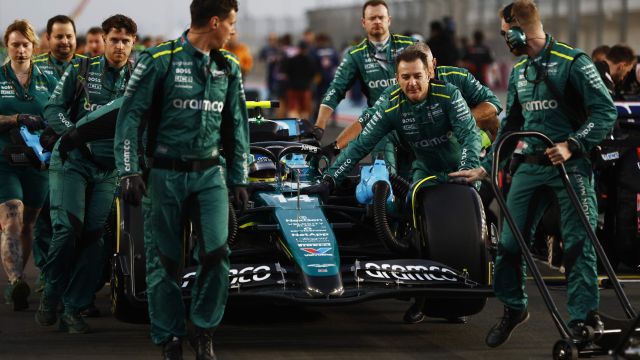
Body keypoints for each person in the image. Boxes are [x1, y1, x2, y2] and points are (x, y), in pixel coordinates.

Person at [449, 0, 617, 348]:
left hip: (570, 167)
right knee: (509, 246)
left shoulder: (574, 62)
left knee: (577, 246)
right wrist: (487, 165)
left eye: (503, 32)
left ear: (516, 29)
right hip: (529, 168)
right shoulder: (521, 71)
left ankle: (582, 322)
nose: (502, 39)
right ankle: (514, 307)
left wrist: (572, 144)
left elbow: (605, 112)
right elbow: (511, 125)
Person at [113, 0, 249, 358]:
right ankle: (170, 337)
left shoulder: (230, 65)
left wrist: (239, 178)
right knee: (166, 261)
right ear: (215, 21)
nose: (234, 30)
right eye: (232, 22)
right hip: (164, 177)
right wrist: (128, 170)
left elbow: (237, 125)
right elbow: (129, 117)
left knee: (218, 253)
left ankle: (203, 331)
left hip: (209, 176)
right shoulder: (160, 60)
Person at [35, 14, 137, 334]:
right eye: (114, 39)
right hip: (72, 161)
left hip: (109, 171)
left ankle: (73, 308)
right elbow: (53, 110)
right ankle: (52, 292)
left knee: (95, 237)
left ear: (133, 44)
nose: (119, 46)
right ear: (103, 40)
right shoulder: (81, 70)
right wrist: (73, 134)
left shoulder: (140, 80)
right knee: (68, 228)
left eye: (125, 40)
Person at [304, 45, 481, 202]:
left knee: (470, 206)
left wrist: (467, 169)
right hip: (426, 172)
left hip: (462, 169)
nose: (412, 83)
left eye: (418, 76)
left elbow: (470, 134)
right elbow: (361, 145)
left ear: (428, 74)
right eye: (406, 77)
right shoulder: (390, 106)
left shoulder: (449, 94)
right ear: (397, 78)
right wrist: (330, 180)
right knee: (409, 208)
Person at [0, 19, 56, 311]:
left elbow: (60, 115)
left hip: (38, 164)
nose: (20, 50)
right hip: (4, 162)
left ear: (34, 46)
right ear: (7, 46)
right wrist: (16, 119)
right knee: (12, 220)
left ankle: (21, 279)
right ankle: (15, 281)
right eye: (15, 44)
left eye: (25, 44)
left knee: (28, 225)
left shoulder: (49, 79)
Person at [31, 15, 85, 295]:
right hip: (40, 149)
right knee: (45, 217)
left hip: (78, 151)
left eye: (69, 36)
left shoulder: (87, 68)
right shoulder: (34, 67)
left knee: (73, 220)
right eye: (59, 36)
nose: (65, 41)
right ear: (48, 39)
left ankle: (69, 276)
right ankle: (46, 273)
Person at [313, 0, 416, 141]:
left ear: (389, 20)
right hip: (381, 128)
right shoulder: (356, 55)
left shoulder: (410, 45)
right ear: (363, 22)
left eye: (381, 17)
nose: (377, 21)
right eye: (372, 18)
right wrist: (320, 125)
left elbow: (433, 79)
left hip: (416, 123)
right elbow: (336, 89)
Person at [283, 41, 318, 119]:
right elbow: (313, 74)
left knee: (292, 108)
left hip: (292, 87)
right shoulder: (310, 61)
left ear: (298, 49)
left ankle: (293, 126)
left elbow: (286, 73)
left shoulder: (292, 60)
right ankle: (303, 127)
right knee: (305, 110)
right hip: (305, 88)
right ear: (307, 49)